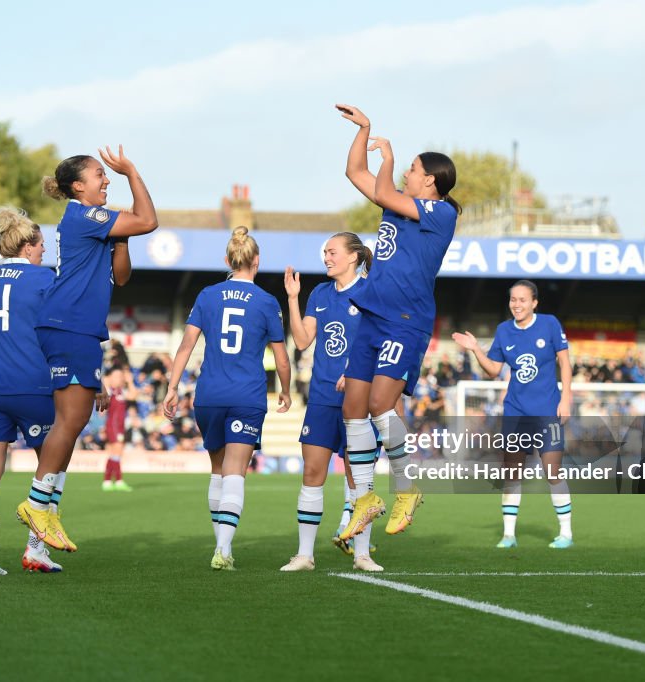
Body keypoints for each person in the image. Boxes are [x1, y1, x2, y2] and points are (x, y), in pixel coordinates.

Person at [16, 146, 158, 548]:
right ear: (79, 186)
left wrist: (123, 237)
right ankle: (37, 505)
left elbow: (123, 277)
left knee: (71, 424)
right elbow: (149, 220)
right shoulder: (82, 215)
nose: (106, 178)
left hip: (76, 329)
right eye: (99, 174)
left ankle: (40, 529)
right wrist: (131, 170)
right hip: (70, 326)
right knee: (71, 423)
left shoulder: (93, 222)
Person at [334, 104, 459, 541]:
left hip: (405, 321)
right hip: (373, 315)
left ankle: (405, 487)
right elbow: (354, 172)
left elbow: (384, 191)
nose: (406, 173)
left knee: (380, 406)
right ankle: (367, 498)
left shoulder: (442, 214)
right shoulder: (402, 204)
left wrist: (386, 159)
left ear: (431, 180)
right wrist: (364, 130)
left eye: (411, 169)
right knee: (352, 409)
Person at [162, 227, 291, 571]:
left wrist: (172, 387)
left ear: (227, 260)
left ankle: (220, 544)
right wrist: (287, 390)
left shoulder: (207, 295)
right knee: (236, 471)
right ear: (257, 261)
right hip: (246, 394)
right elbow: (280, 358)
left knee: (218, 470)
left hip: (209, 394)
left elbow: (186, 346)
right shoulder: (266, 302)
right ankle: (223, 549)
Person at [0, 207, 61, 576]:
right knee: (52, 468)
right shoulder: (42, 278)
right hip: (33, 386)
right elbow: (59, 331)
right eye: (41, 246)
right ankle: (35, 550)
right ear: (28, 246)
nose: (44, 253)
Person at [280, 232, 377, 572]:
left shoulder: (370, 292)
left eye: (332, 252)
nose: (327, 258)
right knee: (312, 471)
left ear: (353, 257)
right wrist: (292, 299)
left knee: (359, 479)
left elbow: (383, 342)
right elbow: (303, 340)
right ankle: (305, 555)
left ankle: (363, 554)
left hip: (359, 399)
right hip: (321, 397)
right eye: (325, 253)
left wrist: (356, 370)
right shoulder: (320, 294)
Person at [453, 279, 574, 549]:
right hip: (516, 411)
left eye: (522, 300)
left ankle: (566, 533)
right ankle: (509, 535)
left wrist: (566, 397)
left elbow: (564, 362)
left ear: (534, 303)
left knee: (552, 471)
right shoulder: (504, 330)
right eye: (513, 300)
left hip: (547, 411)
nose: (516, 304)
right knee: (512, 473)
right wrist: (475, 349)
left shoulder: (550, 324)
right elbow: (494, 370)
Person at [102, 367, 133, 492]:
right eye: (117, 376)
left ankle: (107, 481)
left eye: (121, 376)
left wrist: (130, 381)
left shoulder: (121, 391)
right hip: (113, 426)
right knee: (118, 452)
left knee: (115, 454)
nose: (120, 378)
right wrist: (110, 378)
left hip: (120, 426)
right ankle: (118, 480)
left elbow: (134, 394)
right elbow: (104, 380)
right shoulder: (110, 391)